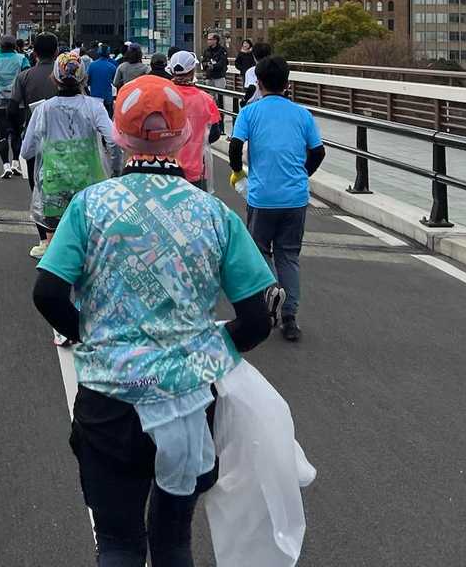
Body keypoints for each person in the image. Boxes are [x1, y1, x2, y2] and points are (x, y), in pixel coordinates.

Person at [32, 73, 281, 567]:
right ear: (185, 134)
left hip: (109, 395)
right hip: (187, 400)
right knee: (173, 542)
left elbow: (48, 292)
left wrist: (93, 337)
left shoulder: (90, 206)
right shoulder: (214, 215)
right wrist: (206, 352)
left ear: (119, 135)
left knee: (118, 541)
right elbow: (256, 318)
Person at [227, 56, 326, 343]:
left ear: (258, 83)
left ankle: (270, 294)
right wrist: (302, 175)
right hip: (295, 198)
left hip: (262, 197)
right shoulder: (303, 114)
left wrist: (238, 173)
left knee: (259, 252)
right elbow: (318, 152)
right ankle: (290, 318)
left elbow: (235, 146)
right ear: (287, 83)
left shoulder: (249, 112)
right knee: (289, 255)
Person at [19, 53, 115, 265]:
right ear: (83, 78)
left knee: (54, 248)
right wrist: (114, 168)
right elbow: (113, 140)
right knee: (89, 245)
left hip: (55, 183)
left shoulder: (43, 109)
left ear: (54, 78)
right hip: (90, 184)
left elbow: (26, 151)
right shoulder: (94, 106)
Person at [166, 52, 224, 192]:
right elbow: (215, 133)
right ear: (192, 71)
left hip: (166, 168)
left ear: (172, 71)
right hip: (196, 167)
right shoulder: (206, 99)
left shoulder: (163, 96)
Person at [0, 36, 30, 179]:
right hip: (18, 101)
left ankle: (6, 165)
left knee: (1, 134)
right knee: (17, 132)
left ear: (1, 46)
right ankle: (15, 163)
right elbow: (27, 76)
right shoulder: (22, 59)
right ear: (14, 46)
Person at [86, 45, 118, 116]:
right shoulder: (112, 67)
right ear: (108, 53)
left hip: (94, 98)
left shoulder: (92, 65)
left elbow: (87, 82)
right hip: (107, 99)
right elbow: (115, 82)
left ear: (98, 52)